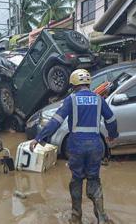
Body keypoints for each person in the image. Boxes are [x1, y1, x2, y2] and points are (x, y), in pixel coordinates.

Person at [30, 69, 118, 224]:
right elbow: (111, 120)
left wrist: (39, 138)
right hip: (95, 146)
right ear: (88, 83)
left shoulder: (71, 99)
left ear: (73, 84)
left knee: (76, 180)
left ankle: (76, 218)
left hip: (76, 146)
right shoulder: (98, 98)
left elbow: (56, 121)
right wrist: (112, 136)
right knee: (94, 179)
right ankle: (102, 218)